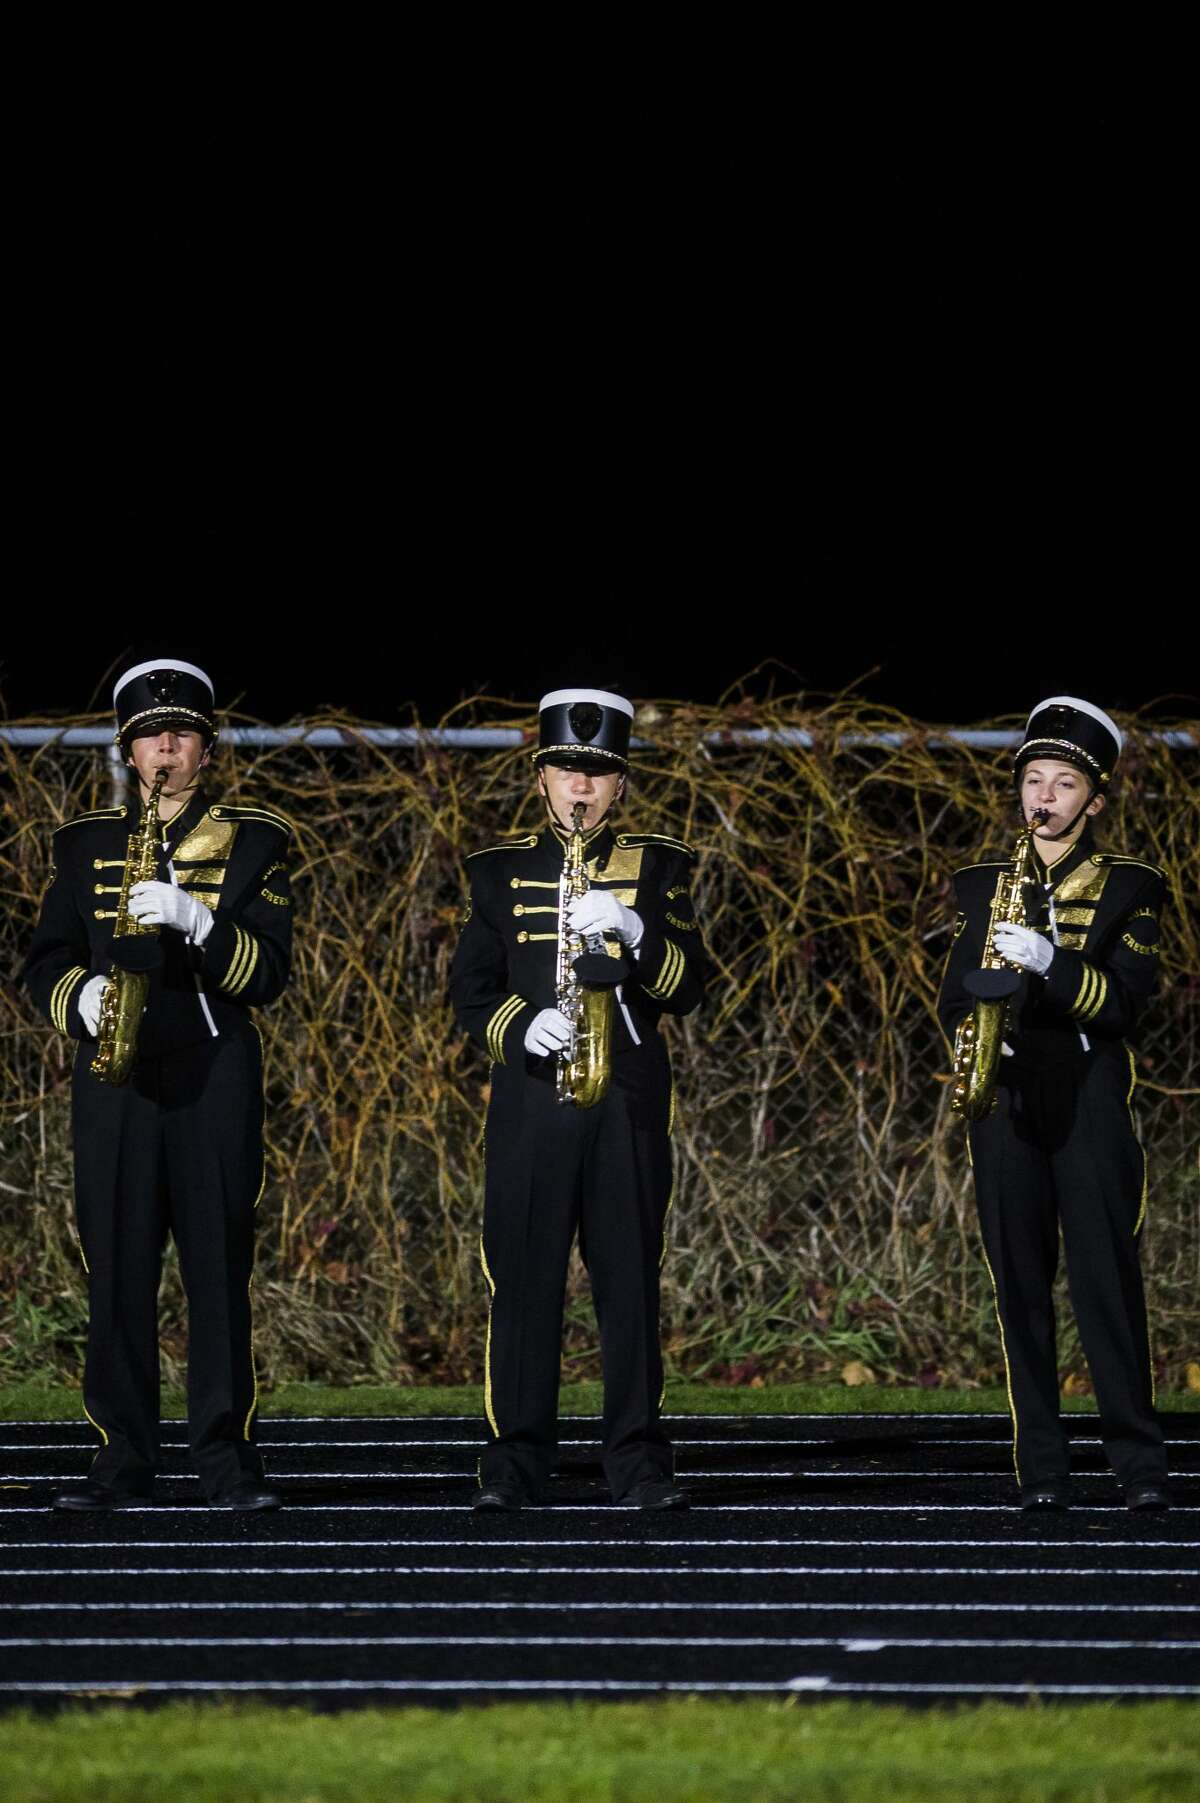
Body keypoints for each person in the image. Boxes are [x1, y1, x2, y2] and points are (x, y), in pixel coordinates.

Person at [23, 655, 294, 1511]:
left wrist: (200, 922)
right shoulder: (82, 845)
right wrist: (84, 997)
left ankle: (226, 1463)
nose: (166, 748)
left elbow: (270, 971)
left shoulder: (256, 840)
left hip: (214, 1076)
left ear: (206, 751)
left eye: (181, 735)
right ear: (130, 753)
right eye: (150, 737)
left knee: (218, 1273)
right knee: (117, 1274)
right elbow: (44, 964)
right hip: (116, 1086)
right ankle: (121, 1460)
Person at [449, 685, 710, 1511]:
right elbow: (470, 993)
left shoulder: (660, 864)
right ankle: (514, 1462)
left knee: (628, 1281)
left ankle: (637, 1460)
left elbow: (691, 985)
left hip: (627, 1097)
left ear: (621, 783)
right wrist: (518, 1026)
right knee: (522, 1280)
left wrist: (638, 934)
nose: (582, 786)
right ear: (541, 778)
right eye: (567, 768)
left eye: (598, 772)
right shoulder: (498, 871)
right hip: (531, 1101)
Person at [938, 696, 1170, 1511]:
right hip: (1005, 1102)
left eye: (1063, 783)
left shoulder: (1133, 888)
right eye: (1033, 780)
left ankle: (1139, 1464)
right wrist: (975, 1034)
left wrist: (1052, 962)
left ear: (1094, 800)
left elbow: (1124, 1006)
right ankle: (1042, 1468)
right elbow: (950, 995)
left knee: (1106, 1280)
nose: (1043, 797)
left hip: (1089, 1103)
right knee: (1020, 1286)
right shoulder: (979, 884)